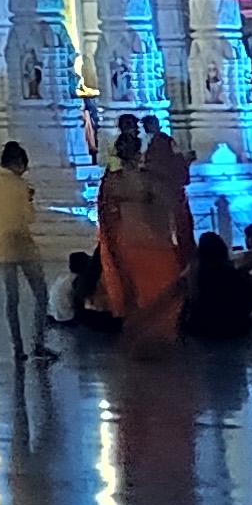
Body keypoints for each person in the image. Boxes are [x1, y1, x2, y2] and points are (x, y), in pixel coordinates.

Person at [94, 128, 185, 349]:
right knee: (163, 289)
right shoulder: (148, 180)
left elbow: (105, 213)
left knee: (137, 292)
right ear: (139, 155)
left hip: (126, 241)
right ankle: (158, 335)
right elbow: (171, 203)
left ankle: (138, 336)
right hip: (153, 240)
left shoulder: (111, 182)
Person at [0, 139, 57, 360]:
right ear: (18, 164)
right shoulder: (22, 186)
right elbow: (29, 217)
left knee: (11, 298)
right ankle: (38, 342)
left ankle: (18, 347)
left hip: (0, 243)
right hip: (22, 243)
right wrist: (29, 199)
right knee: (40, 294)